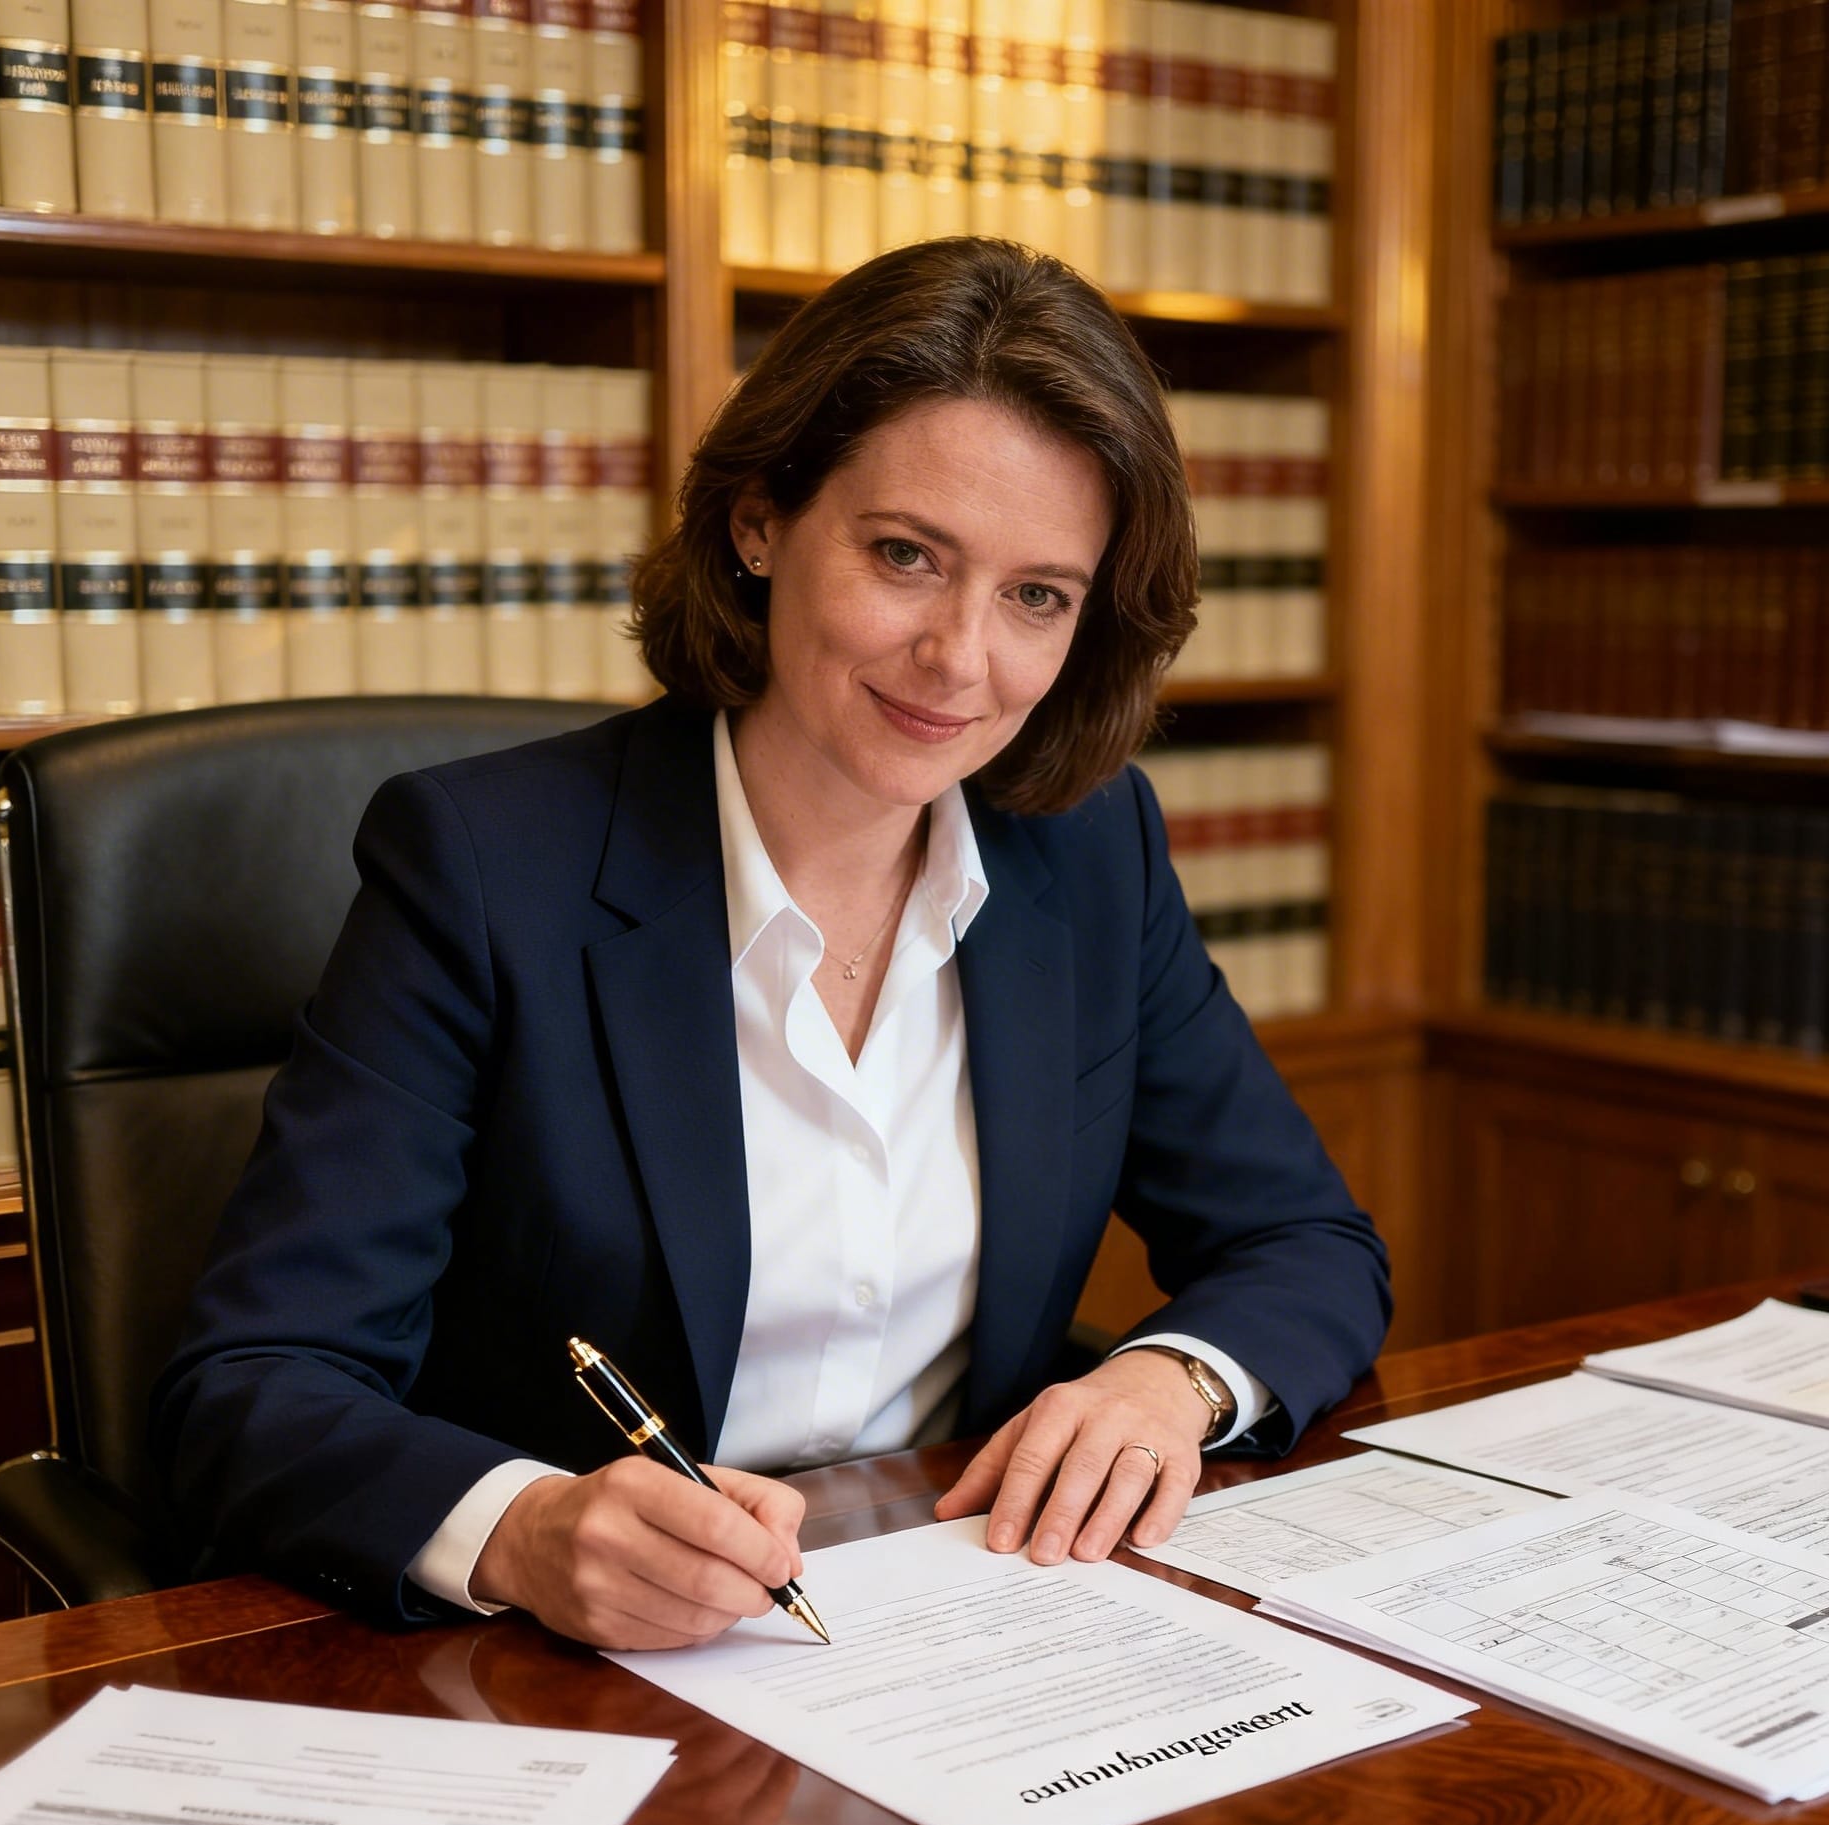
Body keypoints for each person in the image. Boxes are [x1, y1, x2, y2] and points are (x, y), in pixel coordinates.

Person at [152, 237, 1390, 1651]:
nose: (961, 660)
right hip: (569, 1669)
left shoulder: (1086, 855)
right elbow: (252, 1384)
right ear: (758, 523)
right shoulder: (487, 866)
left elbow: (1305, 1239)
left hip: (965, 1623)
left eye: (1037, 595)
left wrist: (1170, 1382)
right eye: (906, 557)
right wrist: (527, 1528)